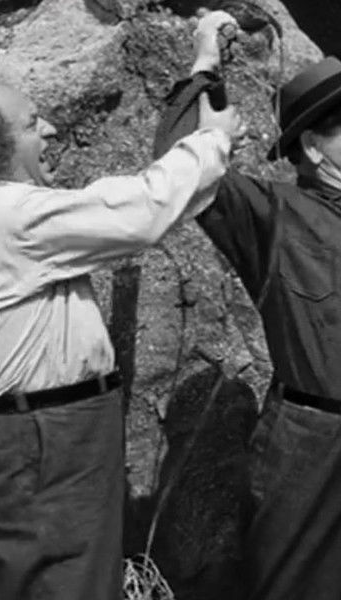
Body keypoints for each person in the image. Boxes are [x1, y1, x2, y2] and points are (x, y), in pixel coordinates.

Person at [0, 66, 238, 600]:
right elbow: (137, 212)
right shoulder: (7, 215)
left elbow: (134, 209)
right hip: (48, 437)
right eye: (31, 123)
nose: (49, 130)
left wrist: (204, 83)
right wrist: (212, 140)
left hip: (58, 430)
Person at [154, 9, 341, 600]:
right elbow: (177, 162)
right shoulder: (275, 213)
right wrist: (206, 59)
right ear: (314, 148)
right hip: (313, 443)